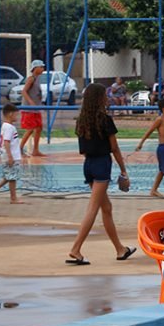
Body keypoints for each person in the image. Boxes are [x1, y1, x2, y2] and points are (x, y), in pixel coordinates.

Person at [66, 83, 135, 265]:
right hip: (102, 164)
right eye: (104, 95)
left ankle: (120, 250)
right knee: (93, 208)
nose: (107, 97)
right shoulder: (105, 120)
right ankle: (76, 249)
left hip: (88, 164)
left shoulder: (81, 121)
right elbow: (114, 148)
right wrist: (123, 170)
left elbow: (82, 151)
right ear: (99, 98)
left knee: (106, 208)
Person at [0, 104, 25, 204]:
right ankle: (13, 198)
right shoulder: (9, 127)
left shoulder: (6, 126)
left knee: (9, 176)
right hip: (11, 155)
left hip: (10, 155)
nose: (17, 117)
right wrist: (10, 156)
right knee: (12, 178)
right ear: (10, 114)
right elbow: (6, 141)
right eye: (16, 115)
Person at [18, 60, 46, 158]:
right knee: (30, 129)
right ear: (35, 68)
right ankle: (20, 149)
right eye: (41, 67)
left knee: (39, 128)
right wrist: (31, 102)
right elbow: (24, 91)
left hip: (36, 109)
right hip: (29, 109)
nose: (43, 69)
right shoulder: (31, 79)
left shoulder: (38, 79)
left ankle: (36, 150)